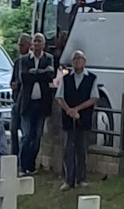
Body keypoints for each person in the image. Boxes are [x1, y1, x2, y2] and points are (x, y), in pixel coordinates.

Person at [59, 52, 97, 189]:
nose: (77, 61)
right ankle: (68, 179)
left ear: (84, 61)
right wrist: (69, 110)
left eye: (79, 59)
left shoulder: (91, 78)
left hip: (83, 118)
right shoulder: (66, 79)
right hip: (68, 119)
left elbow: (93, 98)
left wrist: (77, 109)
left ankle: (81, 179)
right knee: (68, 149)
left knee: (82, 149)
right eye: (75, 59)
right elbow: (60, 97)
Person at [18, 39, 56, 175]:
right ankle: (22, 166)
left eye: (40, 41)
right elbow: (24, 78)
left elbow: (50, 76)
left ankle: (31, 165)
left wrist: (35, 72)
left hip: (41, 104)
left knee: (37, 136)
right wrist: (42, 72)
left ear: (44, 44)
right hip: (28, 104)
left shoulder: (48, 58)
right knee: (27, 135)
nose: (37, 43)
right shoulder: (25, 60)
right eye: (35, 41)